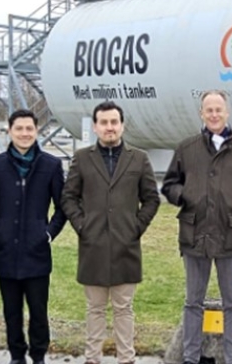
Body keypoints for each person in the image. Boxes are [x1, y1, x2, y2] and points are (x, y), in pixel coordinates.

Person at [161, 90, 232, 364]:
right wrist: (185, 196)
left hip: (230, 235)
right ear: (202, 113)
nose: (213, 114)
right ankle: (191, 356)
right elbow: (169, 184)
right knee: (193, 301)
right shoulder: (187, 149)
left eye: (218, 110)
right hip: (195, 233)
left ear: (227, 112)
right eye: (208, 110)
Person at [60, 100, 161, 364]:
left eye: (114, 122)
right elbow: (68, 198)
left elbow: (151, 199)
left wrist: (136, 228)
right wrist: (83, 226)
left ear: (122, 125)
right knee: (94, 309)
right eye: (104, 123)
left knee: (124, 308)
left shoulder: (138, 159)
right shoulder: (82, 159)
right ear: (95, 127)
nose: (109, 127)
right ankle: (92, 358)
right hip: (92, 246)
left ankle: (126, 358)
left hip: (126, 247)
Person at [0, 109, 68, 364]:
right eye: (19, 129)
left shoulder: (50, 165)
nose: (24, 134)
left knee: (38, 312)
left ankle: (39, 355)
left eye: (29, 129)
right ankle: (16, 355)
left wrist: (48, 234)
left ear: (36, 131)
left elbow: (63, 206)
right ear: (9, 131)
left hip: (36, 252)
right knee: (11, 312)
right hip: (5, 251)